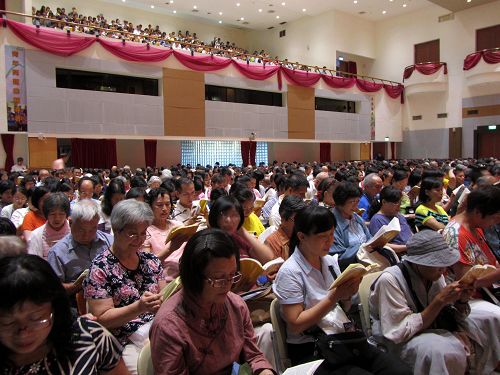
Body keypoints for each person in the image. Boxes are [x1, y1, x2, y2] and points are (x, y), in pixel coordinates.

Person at [273, 204, 410, 374]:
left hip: (343, 339)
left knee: (401, 371)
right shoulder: (290, 272)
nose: (330, 241)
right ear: (301, 236)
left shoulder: (329, 261)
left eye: (332, 234)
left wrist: (347, 295)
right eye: (323, 236)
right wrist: (334, 297)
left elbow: (342, 309)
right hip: (314, 349)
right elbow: (296, 325)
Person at [370, 230, 499, 375]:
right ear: (417, 263)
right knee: (441, 350)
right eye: (437, 264)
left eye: (445, 264)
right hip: (398, 340)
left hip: (429, 327)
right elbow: (397, 332)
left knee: (490, 320)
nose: (443, 270)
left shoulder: (435, 276)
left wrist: (462, 301)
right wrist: (439, 301)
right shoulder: (390, 279)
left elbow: (448, 314)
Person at [150, 228, 275, 375]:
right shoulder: (169, 326)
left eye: (232, 275)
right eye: (219, 278)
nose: (228, 285)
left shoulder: (236, 305)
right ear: (194, 276)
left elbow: (253, 355)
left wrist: (264, 371)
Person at [0, 254, 128, 374]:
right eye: (7, 322)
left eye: (37, 318)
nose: (23, 333)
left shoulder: (88, 336)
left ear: (55, 309)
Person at [84, 199, 165, 374]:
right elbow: (102, 319)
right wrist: (139, 307)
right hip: (123, 340)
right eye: (132, 234)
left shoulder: (151, 261)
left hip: (158, 331)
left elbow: (165, 299)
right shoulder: (101, 268)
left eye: (143, 233)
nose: (139, 240)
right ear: (116, 230)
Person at [48, 199, 113, 296]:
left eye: (93, 229)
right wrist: (77, 285)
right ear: (70, 223)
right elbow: (53, 289)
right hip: (75, 302)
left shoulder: (110, 241)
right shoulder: (58, 252)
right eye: (81, 230)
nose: (87, 235)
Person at [208, 196, 273, 264]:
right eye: (224, 214)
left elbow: (268, 259)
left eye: (234, 215)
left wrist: (243, 232)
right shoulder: (208, 241)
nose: (228, 220)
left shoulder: (239, 238)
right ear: (215, 216)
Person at [142, 188, 187, 281]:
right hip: (164, 281)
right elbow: (148, 264)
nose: (164, 209)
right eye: (159, 205)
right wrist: (170, 249)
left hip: (186, 276)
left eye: (167, 204)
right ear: (150, 207)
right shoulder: (145, 232)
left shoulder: (178, 225)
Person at [330, 181, 372, 270]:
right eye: (352, 201)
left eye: (358, 201)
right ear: (340, 202)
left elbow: (369, 238)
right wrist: (363, 246)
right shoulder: (331, 222)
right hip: (349, 269)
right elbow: (339, 258)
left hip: (367, 262)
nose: (356, 205)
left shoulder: (356, 217)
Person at [368, 186, 413, 253]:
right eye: (395, 203)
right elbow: (381, 245)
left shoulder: (399, 215)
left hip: (412, 249)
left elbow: (409, 233)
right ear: (384, 202)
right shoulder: (377, 220)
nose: (399, 206)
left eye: (400, 203)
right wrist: (407, 247)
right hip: (400, 254)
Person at [27, 193, 71, 260]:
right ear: (46, 214)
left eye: (61, 214)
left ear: (67, 214)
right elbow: (34, 262)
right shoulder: (36, 235)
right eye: (53, 214)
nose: (57, 218)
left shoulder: (73, 231)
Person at [264, 195, 306, 260]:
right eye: (297, 220)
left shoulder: (304, 237)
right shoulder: (272, 243)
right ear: (283, 218)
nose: (301, 224)